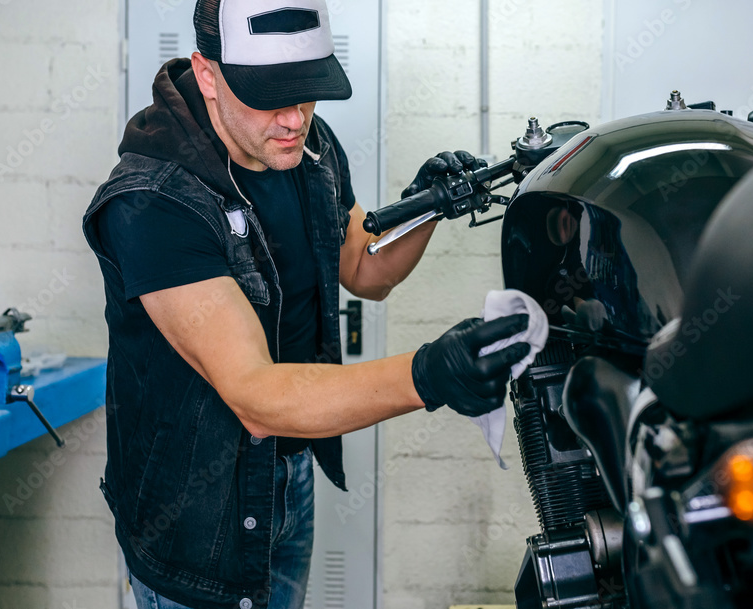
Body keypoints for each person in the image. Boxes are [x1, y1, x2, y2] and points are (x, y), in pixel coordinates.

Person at [81, 1, 531, 608]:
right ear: (208, 75)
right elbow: (257, 396)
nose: (295, 117)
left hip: (287, 479)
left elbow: (365, 269)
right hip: (198, 521)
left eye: (308, 93)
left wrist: (428, 205)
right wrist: (428, 374)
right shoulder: (153, 203)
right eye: (271, 97)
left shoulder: (304, 149)